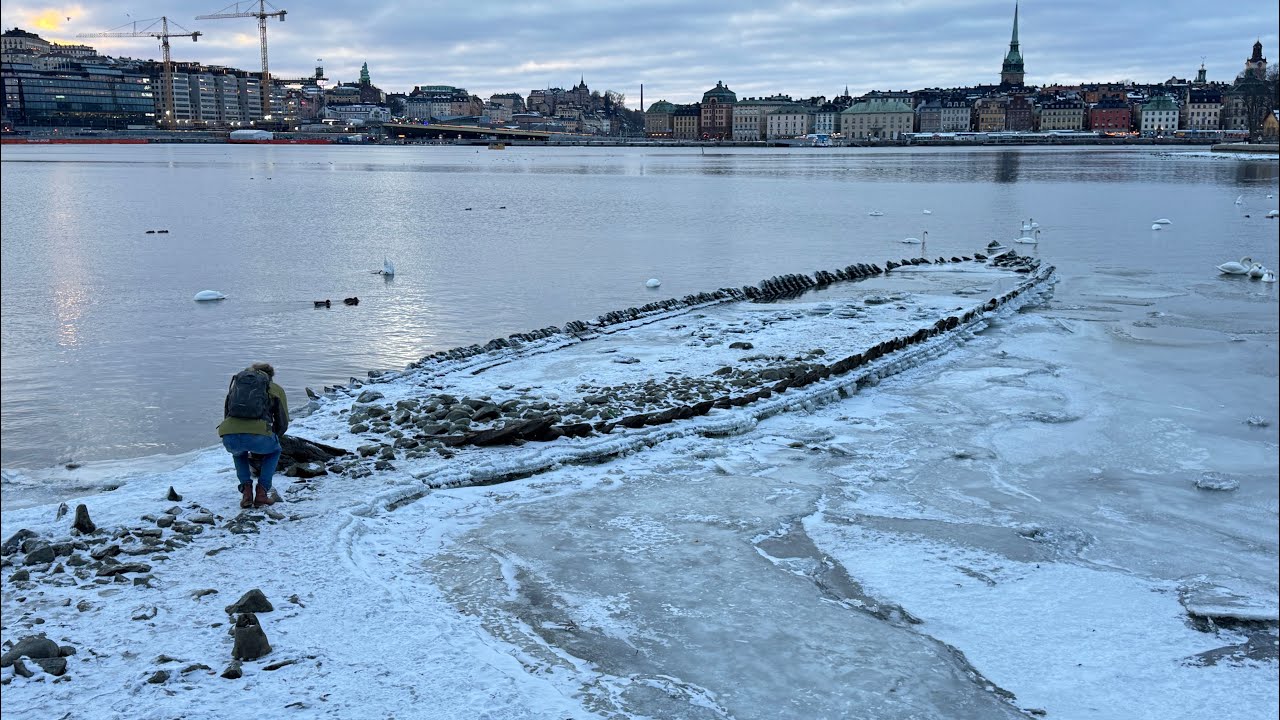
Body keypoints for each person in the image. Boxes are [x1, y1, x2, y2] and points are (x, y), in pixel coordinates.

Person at [218, 362, 289, 508]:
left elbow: (227, 414)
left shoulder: (236, 386)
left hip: (229, 434)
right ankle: (262, 492)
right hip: (260, 437)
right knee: (274, 451)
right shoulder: (275, 389)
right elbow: (283, 422)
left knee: (238, 454)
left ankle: (246, 493)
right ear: (270, 376)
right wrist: (273, 436)